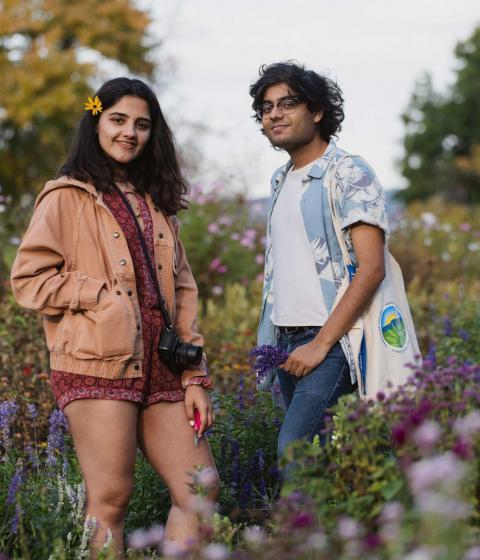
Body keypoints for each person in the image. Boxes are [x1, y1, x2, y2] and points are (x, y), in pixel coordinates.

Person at [11, 77, 218, 557]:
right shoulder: (65, 196)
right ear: (96, 121)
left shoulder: (157, 201)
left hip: (164, 366)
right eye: (118, 120)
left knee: (200, 490)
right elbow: (28, 279)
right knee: (110, 500)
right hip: (97, 363)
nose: (130, 133)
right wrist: (100, 296)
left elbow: (183, 290)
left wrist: (195, 375)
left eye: (142, 125)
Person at [250, 62, 389, 458]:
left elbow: (372, 266)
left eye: (288, 103)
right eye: (266, 107)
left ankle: (301, 522)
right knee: (323, 457)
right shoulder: (279, 180)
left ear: (317, 111)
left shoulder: (349, 173)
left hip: (333, 339)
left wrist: (320, 344)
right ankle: (345, 521)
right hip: (287, 340)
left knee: (295, 449)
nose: (274, 113)